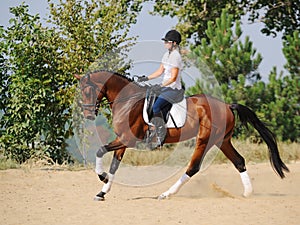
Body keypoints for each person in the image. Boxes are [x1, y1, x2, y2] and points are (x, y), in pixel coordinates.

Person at [137, 30, 183, 148]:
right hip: (165, 88)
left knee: (156, 106)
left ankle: (161, 133)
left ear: (173, 43)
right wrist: (146, 78)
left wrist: (161, 86)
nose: (164, 44)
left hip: (173, 90)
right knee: (149, 98)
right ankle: (152, 129)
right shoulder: (166, 55)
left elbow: (173, 78)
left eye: (166, 42)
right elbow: (160, 71)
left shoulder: (176, 57)